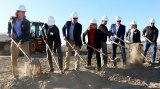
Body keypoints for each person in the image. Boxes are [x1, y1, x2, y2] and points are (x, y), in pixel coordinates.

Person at [7, 5, 30, 78]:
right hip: (14, 40)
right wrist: (8, 31)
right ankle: (16, 74)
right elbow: (9, 24)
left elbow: (27, 34)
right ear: (17, 12)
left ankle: (27, 73)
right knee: (14, 57)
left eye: (24, 12)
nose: (23, 13)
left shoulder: (27, 22)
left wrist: (21, 41)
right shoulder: (12, 19)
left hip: (24, 40)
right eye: (22, 12)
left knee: (27, 56)